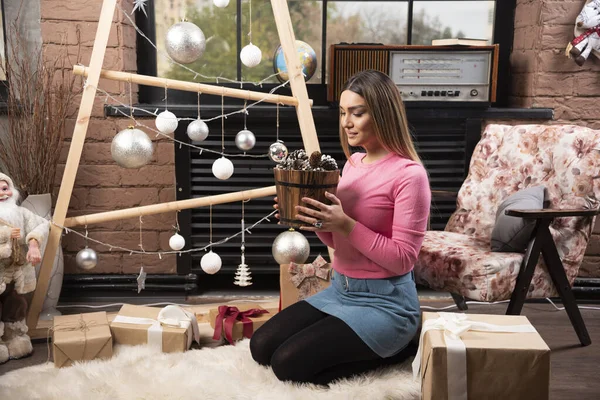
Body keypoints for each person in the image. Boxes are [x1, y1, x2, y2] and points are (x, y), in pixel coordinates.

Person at [250, 70, 431, 385]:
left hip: (387, 304)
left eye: (357, 113)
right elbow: (337, 239)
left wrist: (346, 224)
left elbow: (404, 259)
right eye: (344, 112)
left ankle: (401, 347)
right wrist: (309, 217)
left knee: (286, 364)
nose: (347, 121)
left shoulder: (409, 176)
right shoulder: (352, 164)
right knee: (262, 346)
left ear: (383, 114)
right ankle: (366, 344)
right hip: (340, 291)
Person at [0, 172, 49, 363]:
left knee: (17, 303)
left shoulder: (21, 214)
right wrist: (5, 234)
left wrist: (34, 243)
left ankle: (15, 337)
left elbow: (42, 224)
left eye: (5, 189)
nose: (3, 194)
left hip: (17, 272)